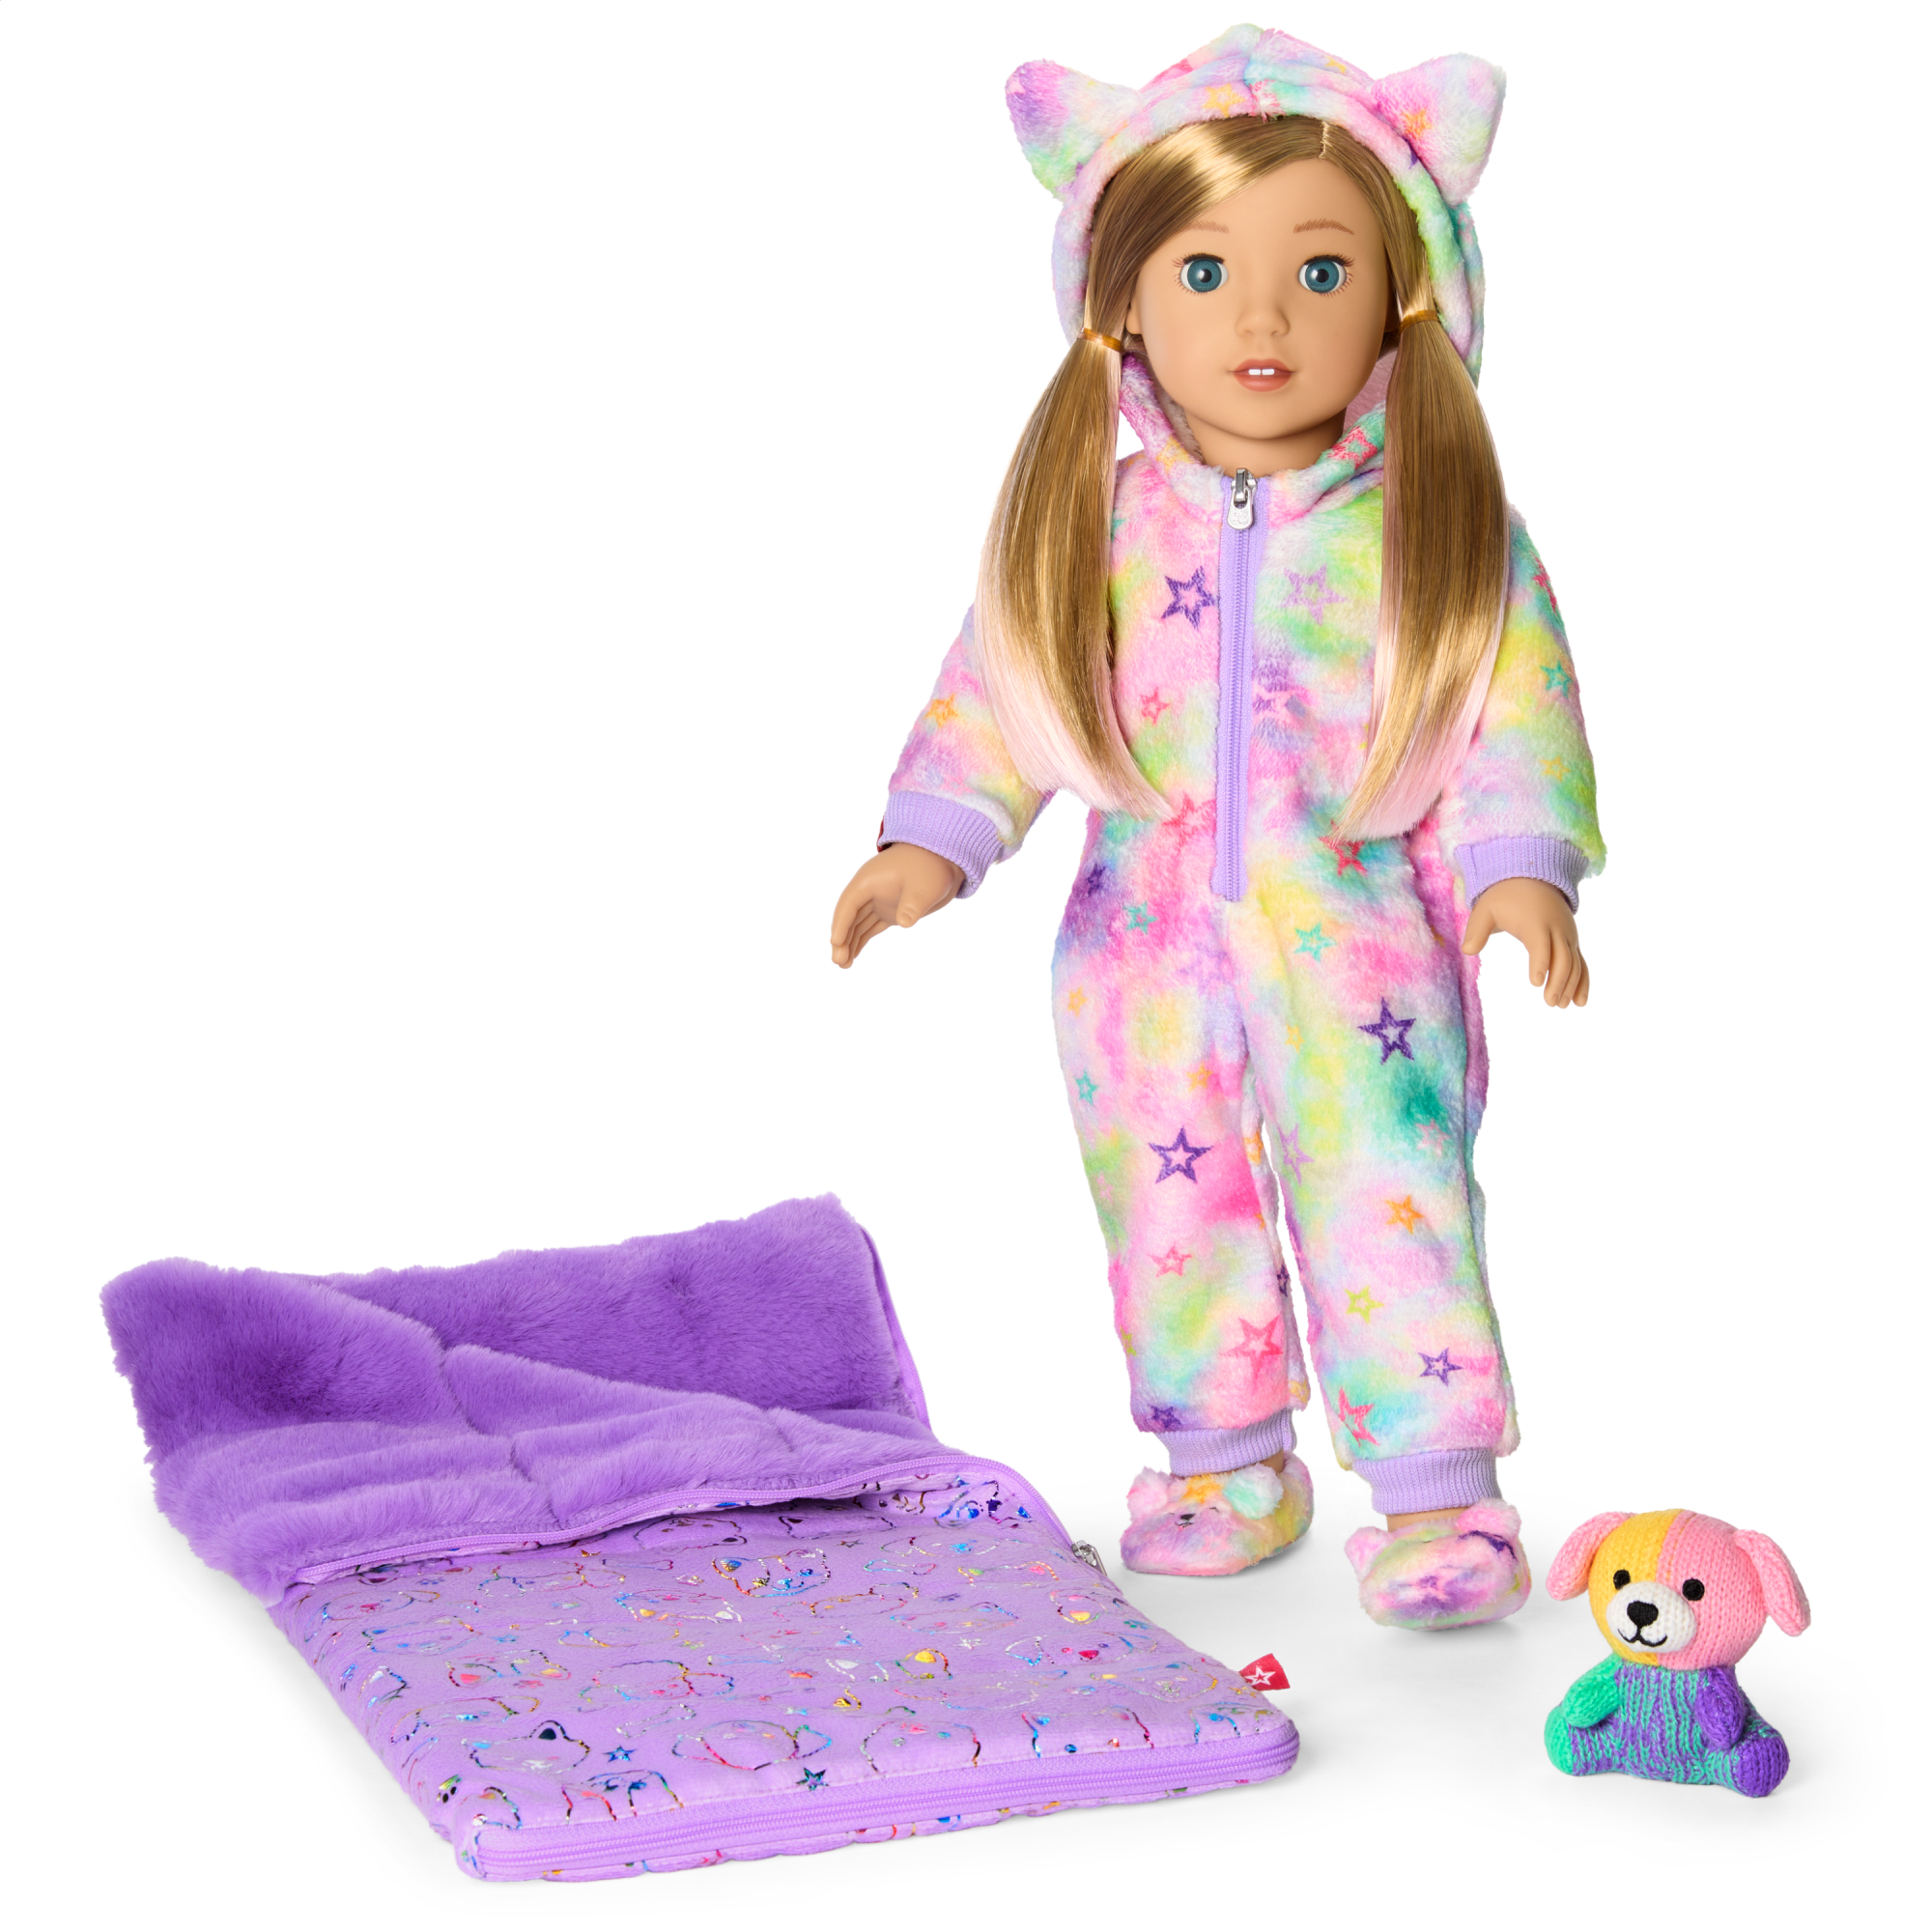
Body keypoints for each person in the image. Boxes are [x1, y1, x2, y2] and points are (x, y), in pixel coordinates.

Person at [829, 25, 1604, 1632]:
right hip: (1140, 948)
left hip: (1366, 939)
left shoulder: (1438, 527)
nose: (1262, 318)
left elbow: (1511, 703)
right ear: (1122, 301)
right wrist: (933, 841)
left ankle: (1440, 1495)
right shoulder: (1099, 525)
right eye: (1203, 272)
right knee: (1167, 1208)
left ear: (1402, 293)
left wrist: (1521, 870)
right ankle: (1222, 1464)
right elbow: (1004, 685)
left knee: (1393, 1195)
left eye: (1321, 272)